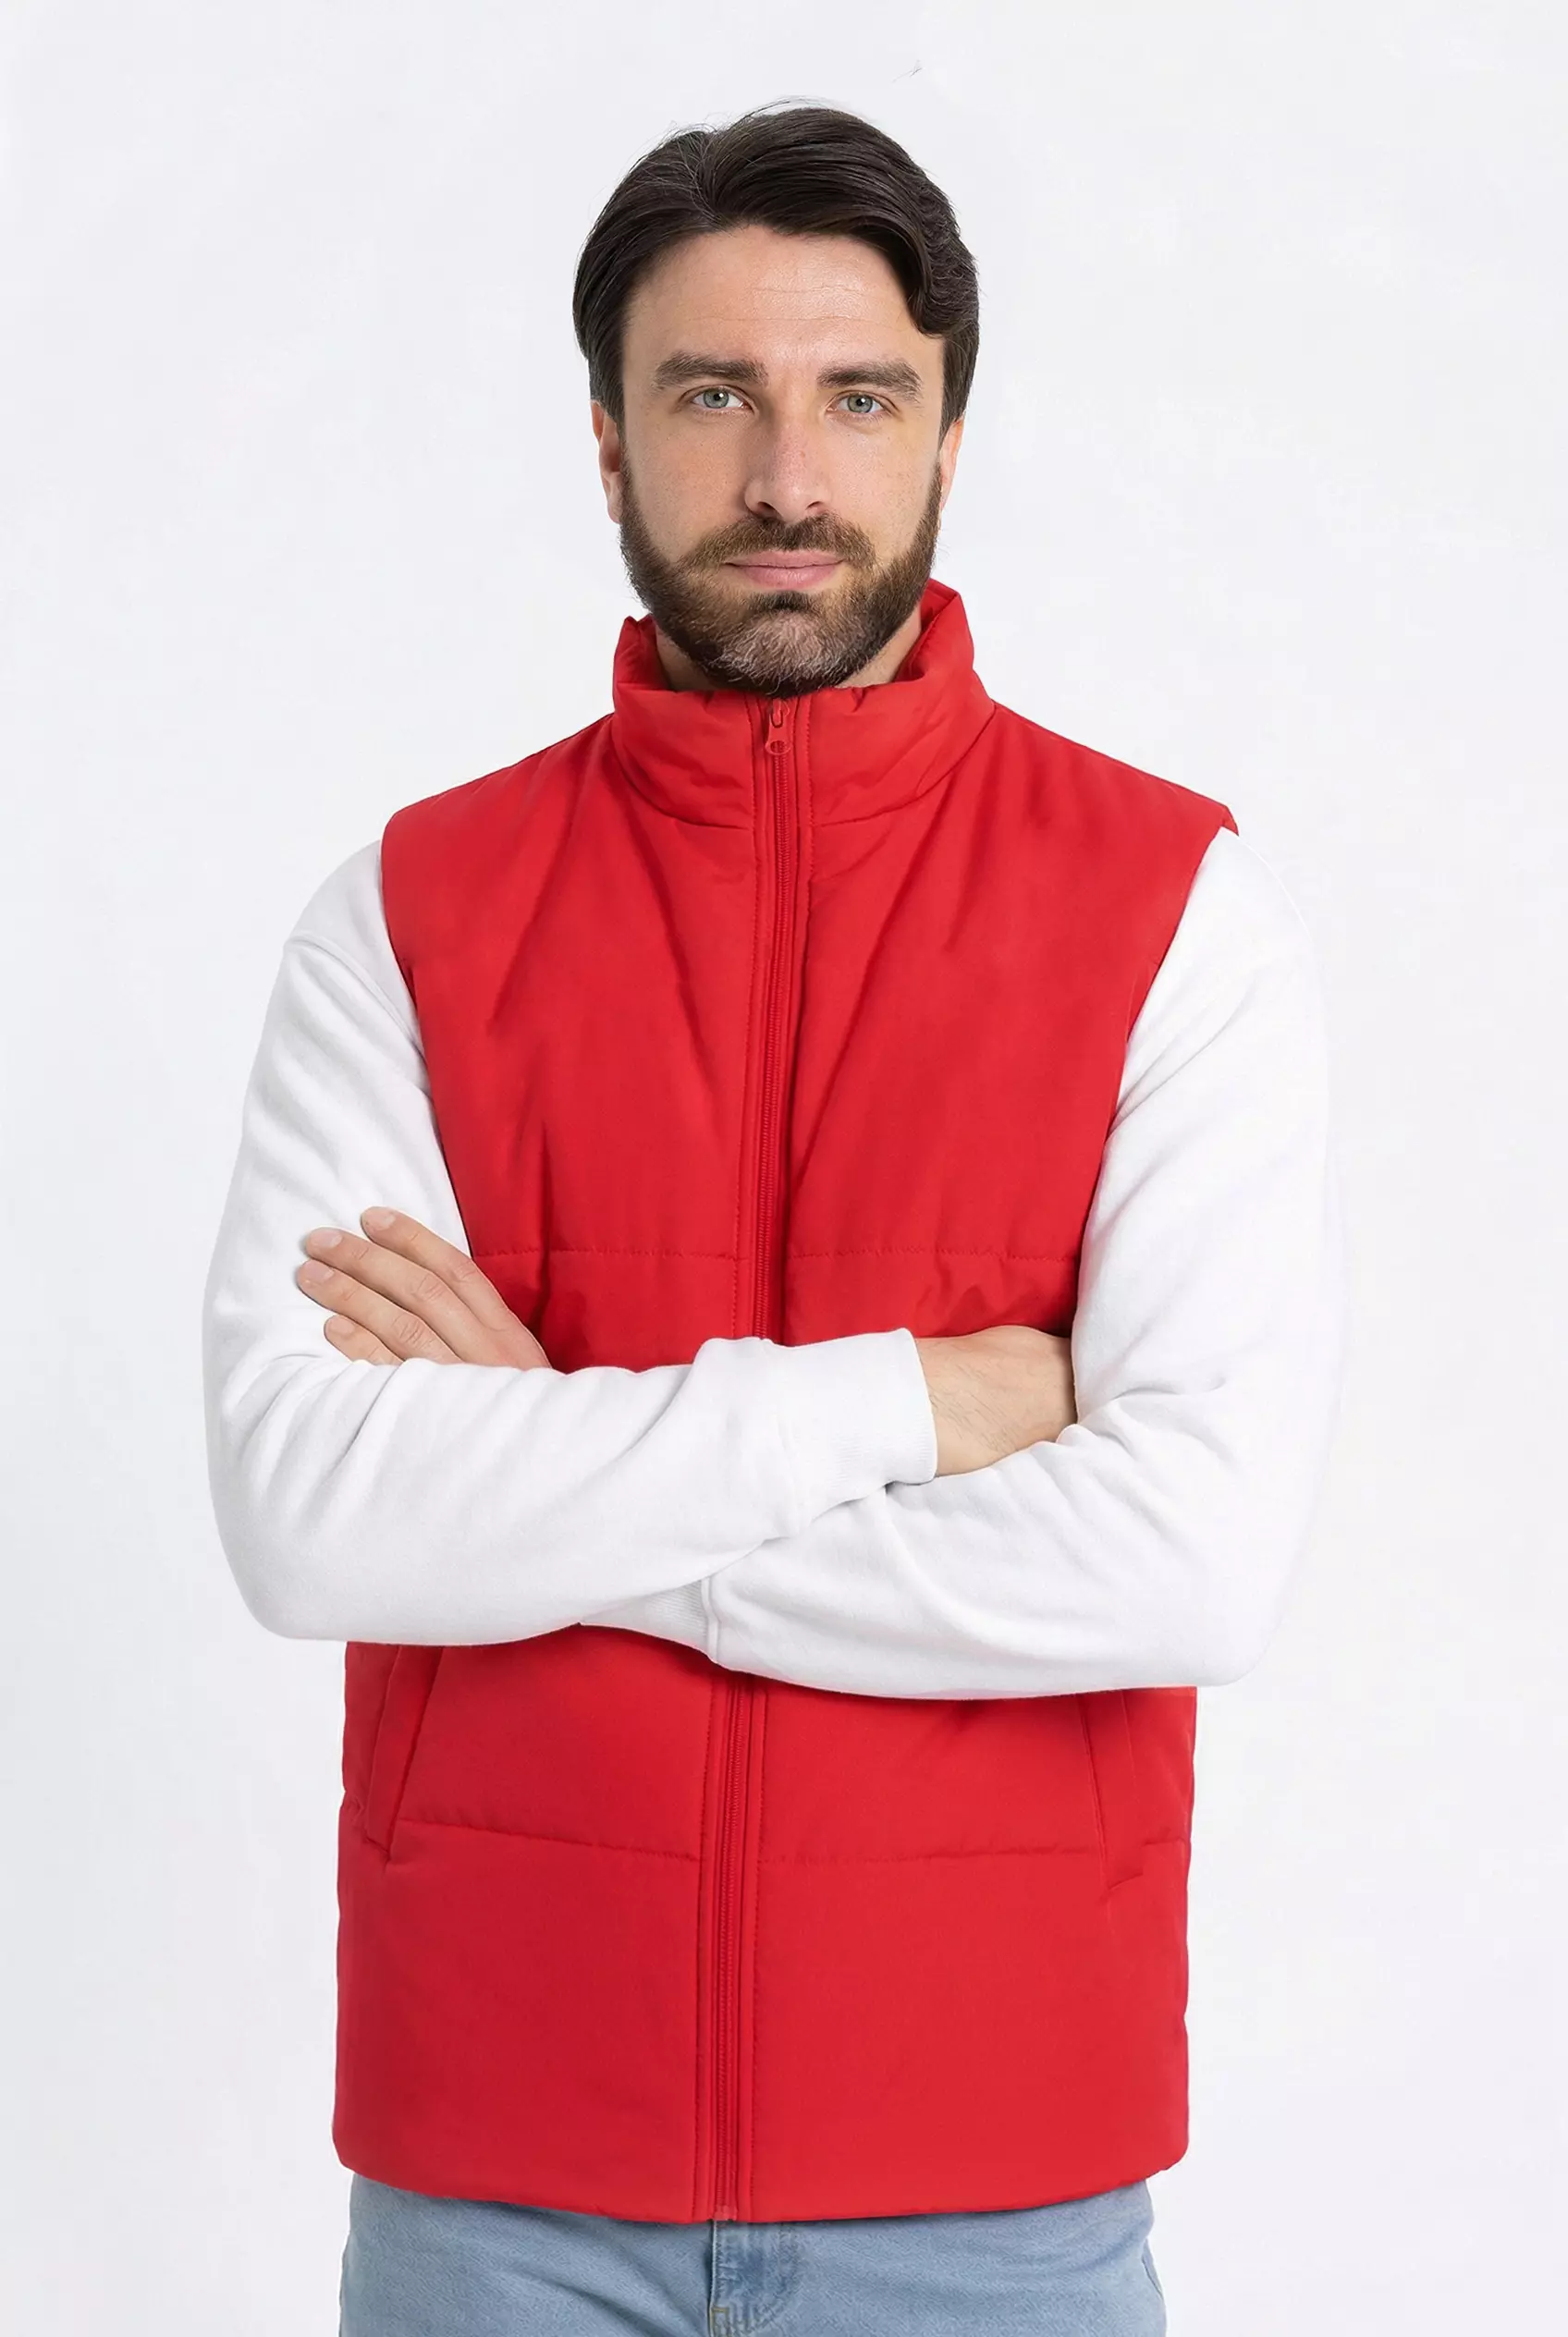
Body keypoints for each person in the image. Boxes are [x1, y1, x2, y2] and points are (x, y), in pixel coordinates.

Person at [201, 99, 1347, 2337]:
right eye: (712, 393)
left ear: (946, 439)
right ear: (608, 442)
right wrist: (910, 1404)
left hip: (992, 2176)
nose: (786, 477)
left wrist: (546, 1467)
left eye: (859, 399)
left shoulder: (1168, 912)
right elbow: (312, 1517)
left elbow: (1188, 1554)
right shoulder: (408, 916)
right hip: (496, 2180)